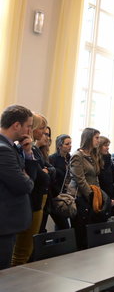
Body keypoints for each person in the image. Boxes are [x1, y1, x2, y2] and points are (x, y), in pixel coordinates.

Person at [11, 113, 52, 266]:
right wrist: (44, 172)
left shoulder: (34, 150)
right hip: (29, 202)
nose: (43, 132)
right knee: (21, 252)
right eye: (41, 128)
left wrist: (45, 172)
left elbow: (46, 175)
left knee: (27, 251)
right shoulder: (22, 148)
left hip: (37, 202)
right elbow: (35, 178)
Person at [0, 105, 34, 270]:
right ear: (16, 125)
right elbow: (24, 185)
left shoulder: (12, 147)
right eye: (28, 125)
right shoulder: (3, 150)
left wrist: (27, 153)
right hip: (4, 224)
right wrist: (26, 177)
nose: (30, 130)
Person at [67, 127, 105, 249]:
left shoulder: (93, 155)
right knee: (81, 234)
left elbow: (95, 178)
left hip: (91, 198)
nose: (98, 141)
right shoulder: (77, 156)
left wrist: (99, 196)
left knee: (91, 234)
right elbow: (80, 180)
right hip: (80, 199)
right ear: (89, 138)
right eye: (96, 138)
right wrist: (92, 195)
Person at [48, 134, 72, 229]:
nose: (70, 146)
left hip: (68, 196)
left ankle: (59, 243)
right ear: (59, 145)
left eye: (70, 143)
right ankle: (58, 243)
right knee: (63, 225)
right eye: (67, 144)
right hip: (56, 195)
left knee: (63, 226)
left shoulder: (70, 158)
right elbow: (51, 179)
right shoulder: (52, 158)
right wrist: (57, 193)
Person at [98, 136, 114, 216]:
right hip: (101, 198)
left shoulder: (109, 159)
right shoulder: (95, 161)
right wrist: (107, 200)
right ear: (99, 146)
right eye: (105, 145)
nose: (108, 148)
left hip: (112, 198)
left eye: (108, 145)